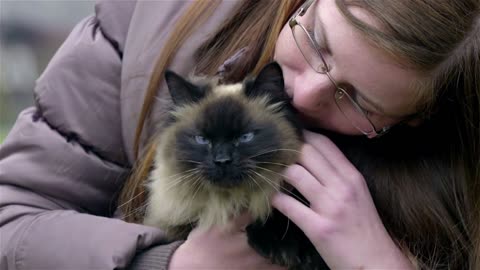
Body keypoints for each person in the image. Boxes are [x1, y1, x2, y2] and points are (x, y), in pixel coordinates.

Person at [0, 0, 478, 269]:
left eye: (356, 100)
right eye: (316, 41)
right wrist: (170, 265)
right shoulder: (154, 15)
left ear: (416, 117)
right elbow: (11, 221)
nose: (307, 91)